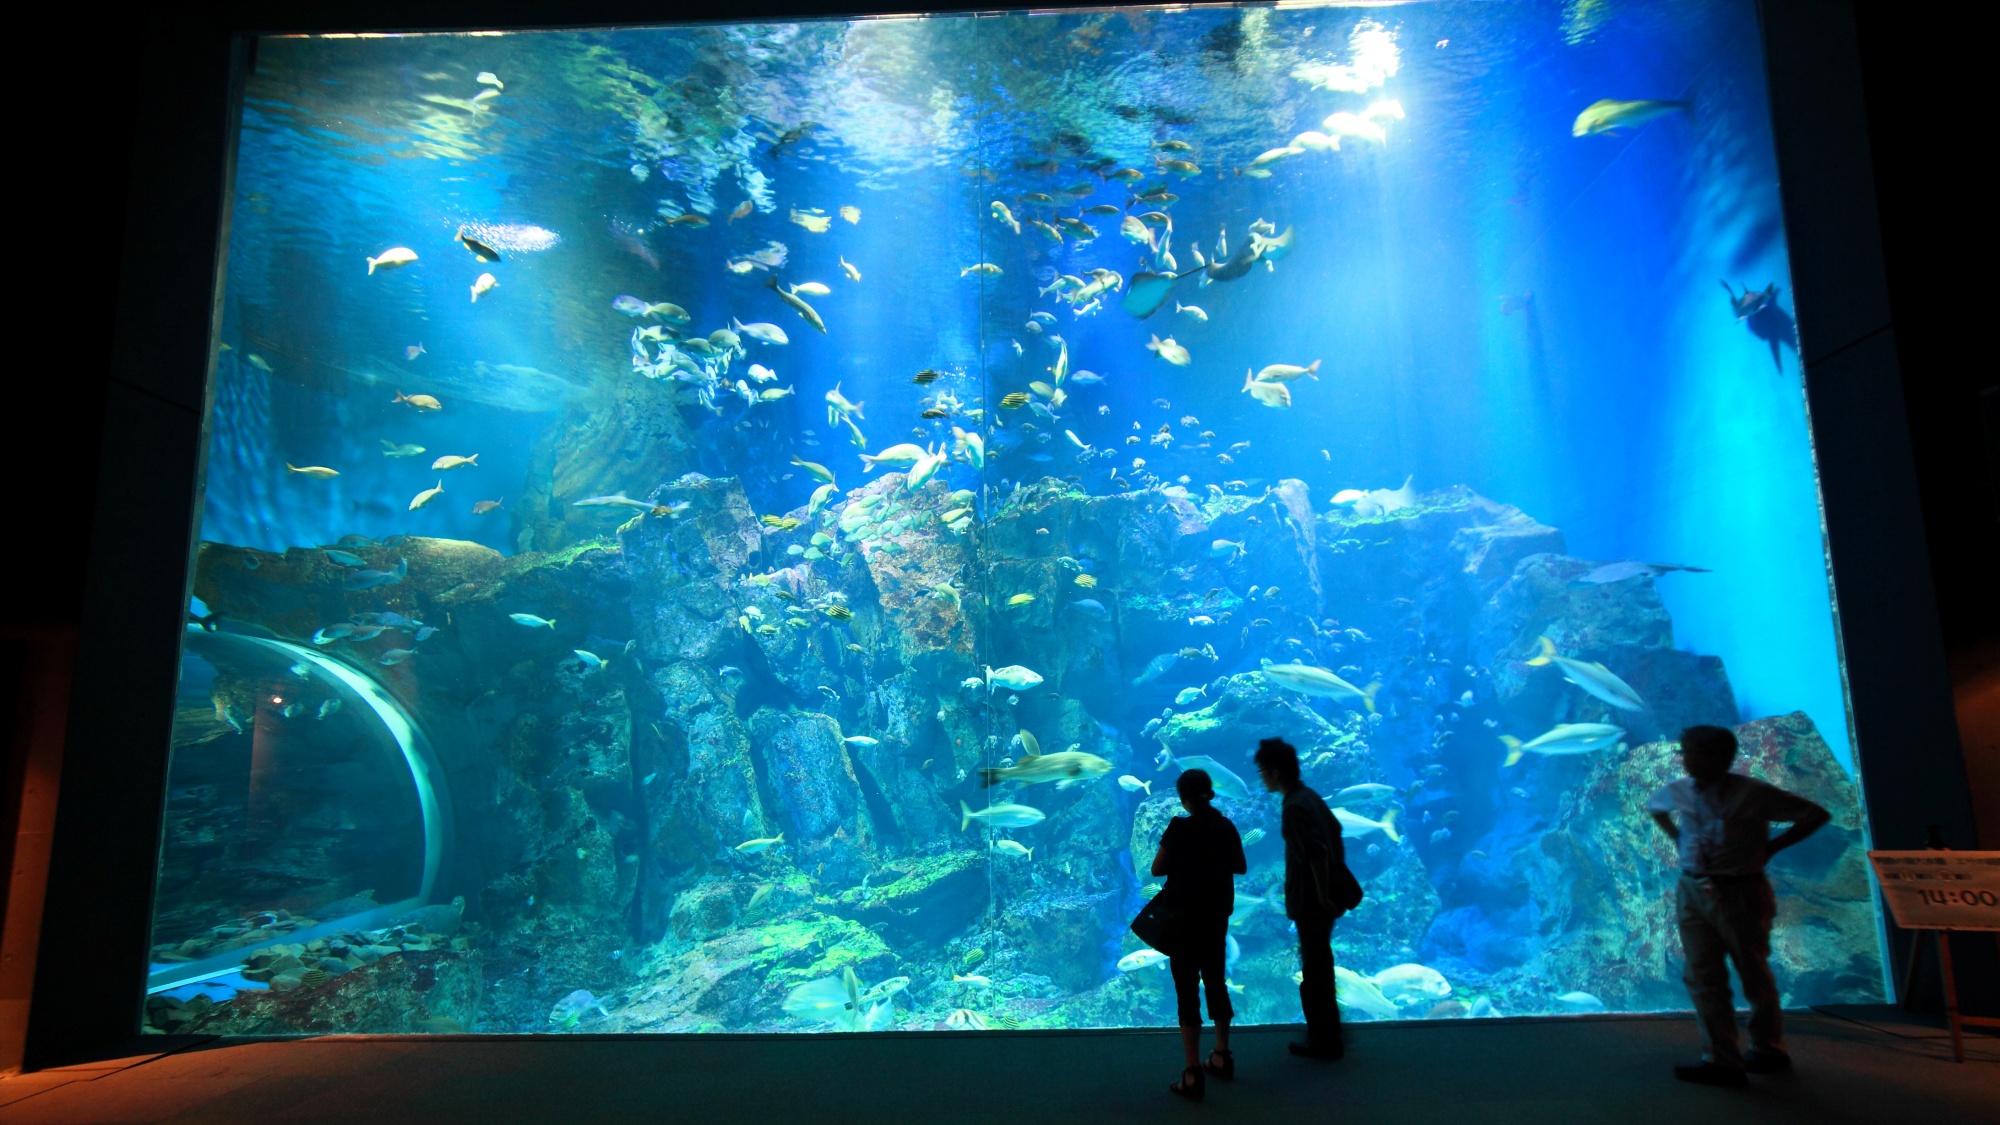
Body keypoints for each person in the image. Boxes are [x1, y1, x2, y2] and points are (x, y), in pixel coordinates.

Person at [1647, 724, 1830, 1086]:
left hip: (1741, 889)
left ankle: (1769, 1050)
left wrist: (1772, 848)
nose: (1684, 759)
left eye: (1691, 752)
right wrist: (1679, 840)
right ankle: (1721, 1059)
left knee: (1752, 971)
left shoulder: (1752, 793)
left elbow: (1814, 815)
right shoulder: (1679, 790)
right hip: (1692, 889)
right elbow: (1656, 808)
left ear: (1720, 757)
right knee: (1701, 974)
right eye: (1683, 752)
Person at [1149, 768, 1246, 1101]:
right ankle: (1221, 1055)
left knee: (1187, 989)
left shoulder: (1179, 828)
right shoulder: (1225, 826)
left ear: (1183, 798)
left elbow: (1157, 868)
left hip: (1183, 919)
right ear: (1211, 793)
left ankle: (1192, 1072)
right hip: (1215, 917)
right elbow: (1241, 865)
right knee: (1216, 982)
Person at [1254, 736, 1349, 1059]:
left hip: (1312, 904)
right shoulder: (1310, 797)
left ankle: (1323, 1041)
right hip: (1320, 902)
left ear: (1277, 771)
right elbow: (1335, 834)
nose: (1261, 776)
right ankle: (1330, 1036)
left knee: (1315, 974)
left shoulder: (1294, 806)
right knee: (1321, 966)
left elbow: (1316, 853)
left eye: (1263, 769)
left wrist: (1322, 896)